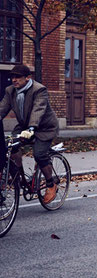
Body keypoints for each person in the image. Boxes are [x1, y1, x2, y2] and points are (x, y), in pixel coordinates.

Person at [0, 64, 59, 203]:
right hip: (24, 126)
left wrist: (32, 127)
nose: (14, 80)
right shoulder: (10, 90)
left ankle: (51, 184)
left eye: (18, 77)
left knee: (39, 154)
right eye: (12, 77)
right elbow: (2, 108)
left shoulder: (39, 90)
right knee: (10, 146)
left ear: (27, 77)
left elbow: (38, 109)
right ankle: (17, 176)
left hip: (44, 128)